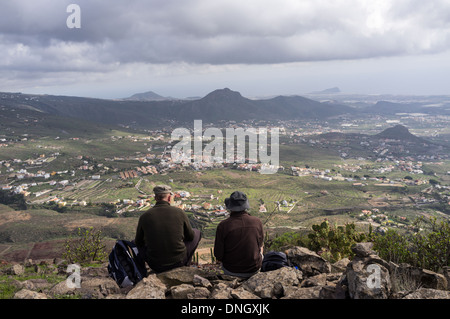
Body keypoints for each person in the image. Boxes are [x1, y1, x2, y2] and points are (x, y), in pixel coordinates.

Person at [135, 185, 201, 273]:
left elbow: (138, 242)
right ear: (169, 197)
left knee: (134, 242)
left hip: (155, 265)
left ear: (155, 198)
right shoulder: (179, 212)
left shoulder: (145, 216)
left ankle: (140, 270)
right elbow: (190, 237)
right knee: (197, 232)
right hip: (178, 262)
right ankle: (186, 265)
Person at [214, 191, 264, 278]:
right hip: (253, 269)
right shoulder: (257, 222)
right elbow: (260, 246)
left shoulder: (223, 225)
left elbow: (218, 255)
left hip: (230, 270)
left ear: (230, 207)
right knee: (261, 247)